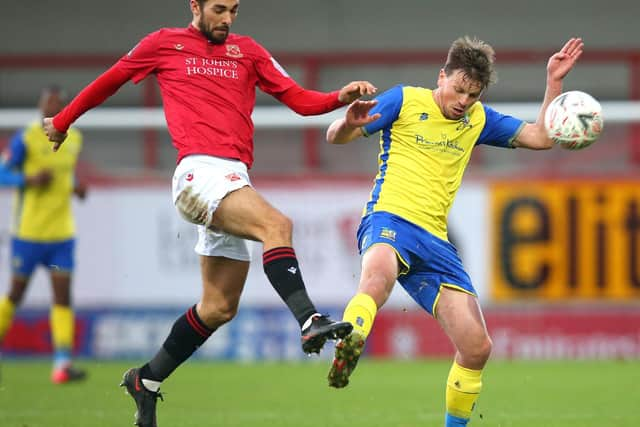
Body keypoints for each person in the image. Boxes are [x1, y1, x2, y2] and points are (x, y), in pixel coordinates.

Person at [43, 0, 375, 425]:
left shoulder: (248, 51)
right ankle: (309, 319)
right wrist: (64, 120)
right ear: (195, 6)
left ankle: (147, 380)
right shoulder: (163, 44)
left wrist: (337, 97)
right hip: (198, 173)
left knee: (218, 306)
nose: (227, 19)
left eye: (234, 10)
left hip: (234, 178)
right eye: (219, 9)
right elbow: (112, 80)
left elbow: (299, 100)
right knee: (278, 225)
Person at [324, 36, 584, 427]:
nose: (464, 100)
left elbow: (541, 137)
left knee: (477, 347)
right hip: (389, 217)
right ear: (441, 76)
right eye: (459, 89)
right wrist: (348, 122)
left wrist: (553, 83)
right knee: (378, 279)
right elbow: (334, 136)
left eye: (473, 94)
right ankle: (351, 339)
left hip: (435, 242)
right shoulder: (404, 100)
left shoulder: (477, 119)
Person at [0, 85, 87, 384]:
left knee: (62, 297)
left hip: (61, 234)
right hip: (29, 233)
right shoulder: (25, 138)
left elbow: (68, 173)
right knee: (16, 294)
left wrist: (77, 186)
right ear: (39, 107)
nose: (52, 109)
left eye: (57, 104)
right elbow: (1, 173)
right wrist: (28, 179)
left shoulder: (74, 139)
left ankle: (62, 365)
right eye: (48, 103)